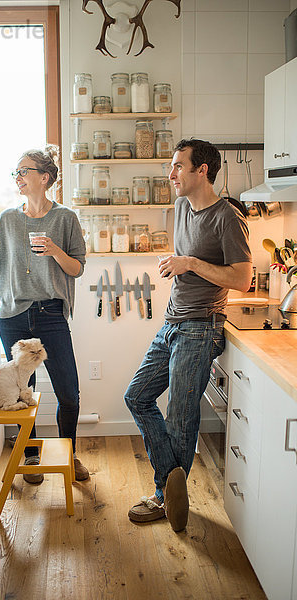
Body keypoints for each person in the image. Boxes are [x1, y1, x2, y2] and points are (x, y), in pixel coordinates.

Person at [125, 139, 252, 531]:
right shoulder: (181, 207)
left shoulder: (227, 217)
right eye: (172, 166)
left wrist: (190, 263)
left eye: (179, 166)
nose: (171, 173)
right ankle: (170, 482)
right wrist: (179, 265)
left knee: (179, 419)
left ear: (203, 171)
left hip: (201, 329)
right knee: (137, 396)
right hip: (172, 323)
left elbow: (243, 279)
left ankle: (164, 499)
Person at [0, 145, 89, 482]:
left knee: (68, 394)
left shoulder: (65, 218)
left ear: (45, 177)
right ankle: (30, 456)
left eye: (23, 171)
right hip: (12, 317)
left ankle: (69, 454)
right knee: (22, 392)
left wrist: (54, 250)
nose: (18, 177)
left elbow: (78, 268)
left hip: (51, 314)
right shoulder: (7, 219)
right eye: (16, 172)